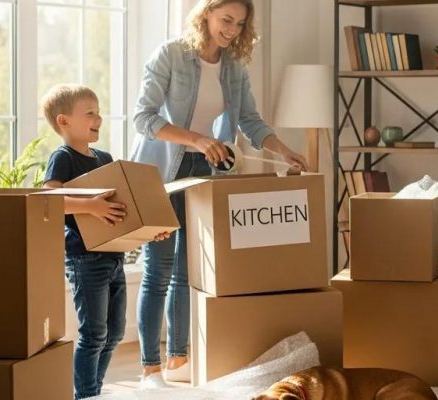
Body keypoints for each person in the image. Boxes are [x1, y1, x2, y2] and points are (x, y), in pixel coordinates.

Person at [131, 0, 307, 388]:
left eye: (240, 24)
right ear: (205, 14)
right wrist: (197, 139)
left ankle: (178, 359)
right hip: (161, 173)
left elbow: (250, 120)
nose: (231, 29)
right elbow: (144, 118)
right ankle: (149, 369)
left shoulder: (233, 67)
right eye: (226, 19)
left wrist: (285, 150)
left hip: (205, 170)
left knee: (185, 272)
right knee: (157, 270)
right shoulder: (171, 54)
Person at [41, 84, 170, 399]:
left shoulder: (104, 158)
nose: (98, 118)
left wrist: (151, 230)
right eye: (90, 113)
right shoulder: (62, 158)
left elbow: (121, 210)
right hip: (85, 258)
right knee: (94, 333)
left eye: (98, 111)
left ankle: (92, 391)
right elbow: (49, 199)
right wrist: (90, 207)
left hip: (113, 257)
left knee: (112, 333)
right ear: (64, 121)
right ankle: (86, 395)